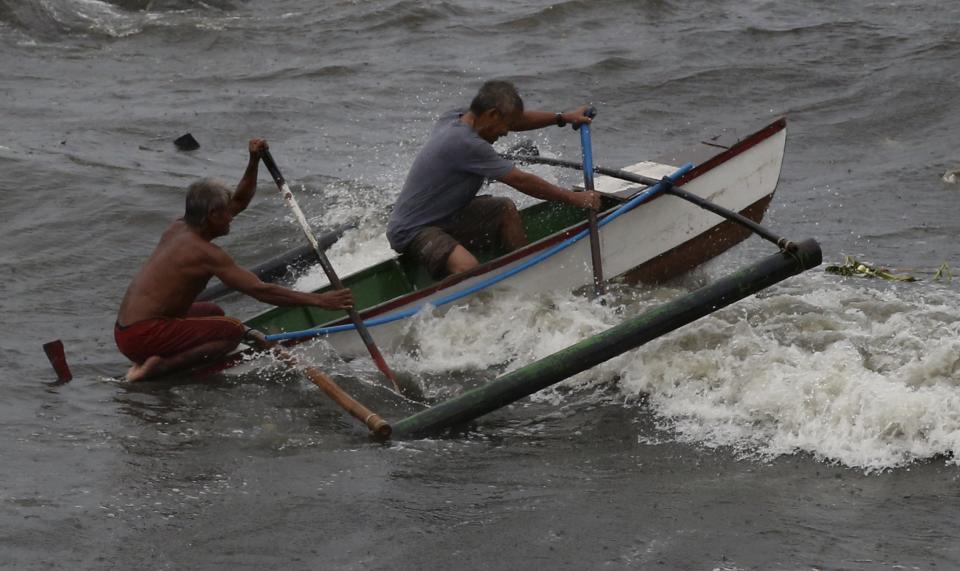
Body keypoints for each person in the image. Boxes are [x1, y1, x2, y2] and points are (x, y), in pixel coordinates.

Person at [115, 139, 353, 382]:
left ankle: (154, 354)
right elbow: (261, 291)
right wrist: (319, 300)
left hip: (127, 331)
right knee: (231, 332)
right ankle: (161, 366)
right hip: (142, 335)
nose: (232, 216)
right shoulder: (205, 254)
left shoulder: (180, 227)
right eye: (226, 213)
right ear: (212, 215)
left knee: (213, 312)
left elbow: (239, 200)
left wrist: (254, 161)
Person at [386, 79, 603, 279]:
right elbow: (521, 180)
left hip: (446, 215)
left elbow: (518, 120)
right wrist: (574, 198)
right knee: (468, 267)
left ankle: (527, 274)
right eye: (505, 126)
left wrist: (563, 117)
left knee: (503, 209)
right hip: (413, 229)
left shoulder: (457, 116)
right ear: (491, 115)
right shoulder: (466, 144)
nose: (507, 132)